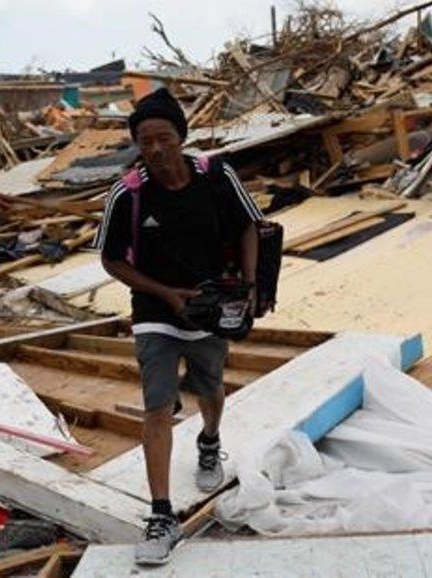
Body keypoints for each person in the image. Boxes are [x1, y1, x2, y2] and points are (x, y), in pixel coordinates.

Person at [97, 88, 262, 565]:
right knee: (157, 405)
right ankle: (161, 515)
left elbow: (251, 225)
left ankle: (209, 441)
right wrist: (166, 295)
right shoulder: (128, 191)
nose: (154, 149)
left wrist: (247, 287)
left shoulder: (217, 177)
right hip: (155, 310)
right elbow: (110, 258)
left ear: (181, 137)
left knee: (211, 388)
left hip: (210, 307)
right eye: (145, 141)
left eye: (163, 138)